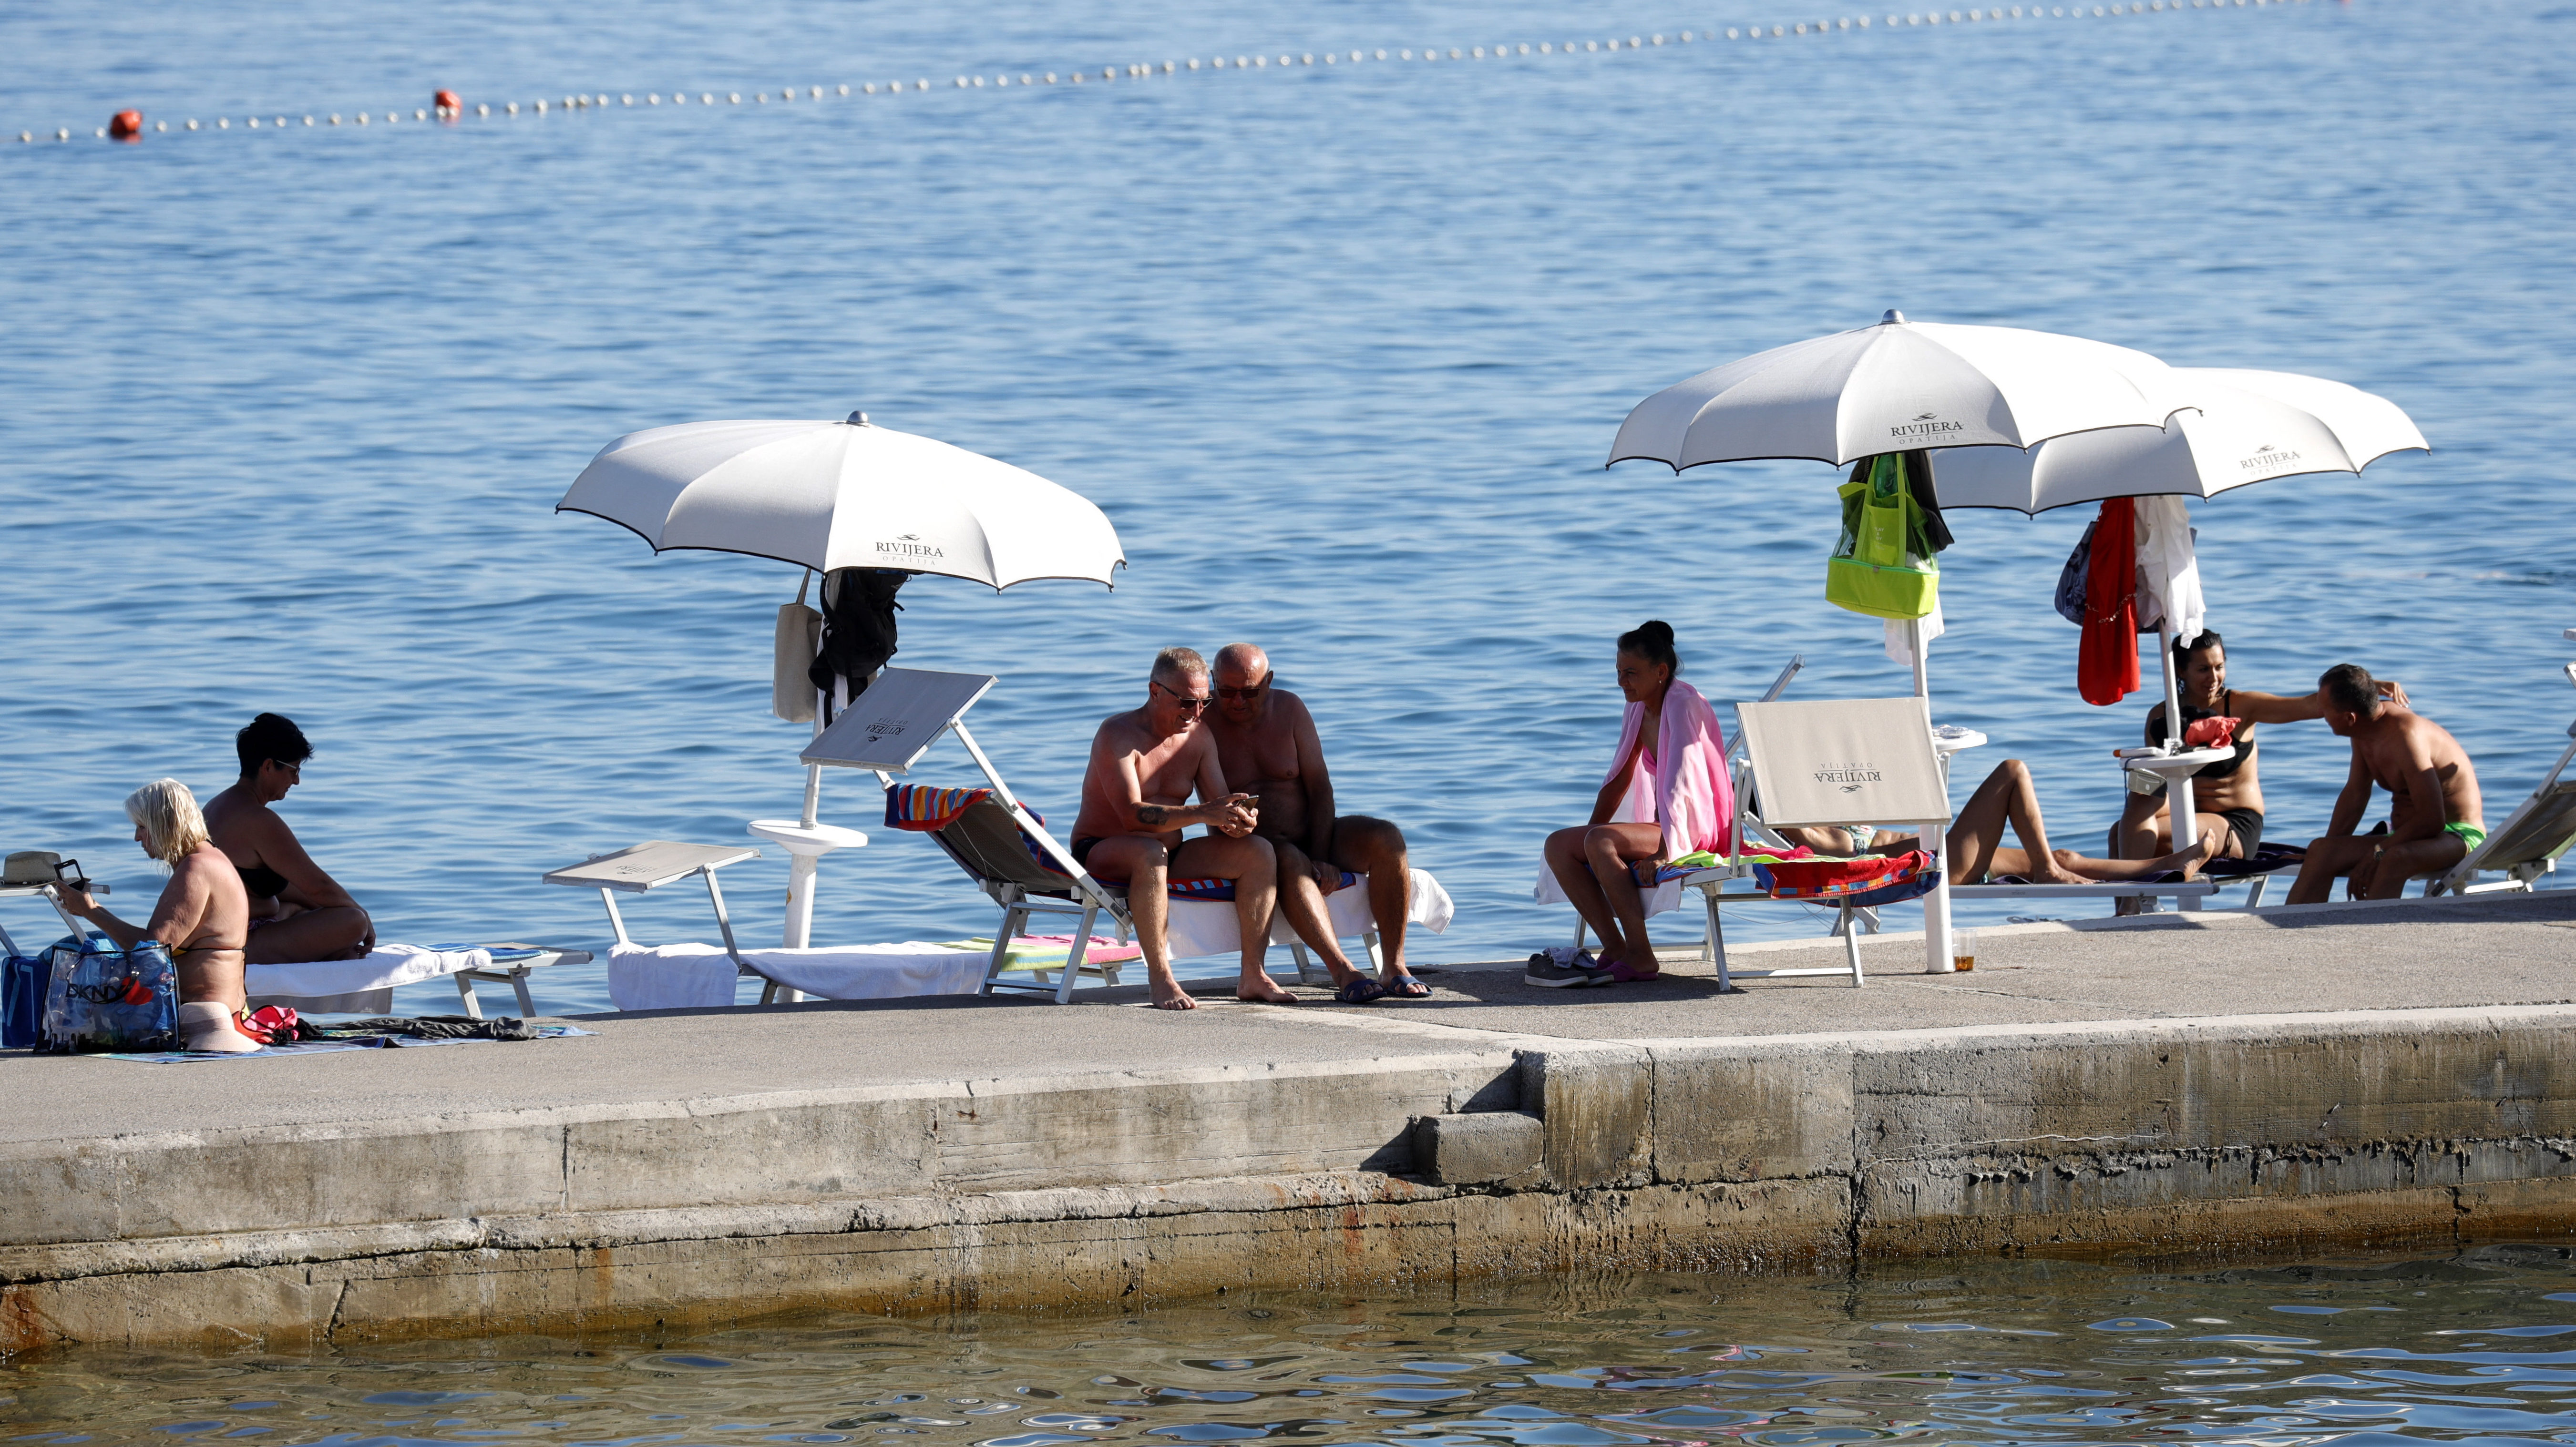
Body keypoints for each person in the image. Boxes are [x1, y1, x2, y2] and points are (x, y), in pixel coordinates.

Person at [2108, 632, 2407, 904]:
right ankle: (2130, 907)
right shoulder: (2163, 718)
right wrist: (2139, 779)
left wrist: (2363, 691)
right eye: (2203, 669)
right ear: (2181, 672)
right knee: (2121, 828)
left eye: (2219, 666)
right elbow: (2153, 782)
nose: (2214, 677)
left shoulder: (2241, 706)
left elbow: (2310, 706)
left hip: (2235, 823)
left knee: (2142, 834)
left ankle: (2136, 900)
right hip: (2182, 813)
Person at [1205, 643, 1427, 1003]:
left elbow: (1320, 788)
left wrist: (1322, 856)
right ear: (1213, 683)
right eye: (1226, 691)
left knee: (1386, 839)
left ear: (1269, 682)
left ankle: (1394, 966)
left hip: (1312, 833)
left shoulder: (1289, 709)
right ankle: (1343, 971)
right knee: (1289, 858)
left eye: (1249, 692)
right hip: (1252, 848)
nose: (1237, 702)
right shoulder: (1201, 723)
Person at [1068, 648, 1287, 1011]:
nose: (1197, 713)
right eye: (1187, 702)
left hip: (1169, 854)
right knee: (1149, 851)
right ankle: (1161, 978)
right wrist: (1205, 813)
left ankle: (1253, 974)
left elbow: (1220, 807)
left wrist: (1237, 821)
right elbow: (1131, 816)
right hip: (1103, 850)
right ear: (1155, 692)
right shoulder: (1118, 734)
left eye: (1204, 702)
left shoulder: (1198, 737)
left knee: (1258, 852)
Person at [1537, 622, 1734, 986]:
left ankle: (1641, 955)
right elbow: (1619, 778)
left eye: (1630, 673)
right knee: (1559, 845)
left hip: (1695, 827)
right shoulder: (1638, 706)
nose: (1621, 682)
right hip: (1664, 825)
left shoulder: (1684, 703)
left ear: (1661, 671)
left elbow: (1682, 782)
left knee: (1601, 842)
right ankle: (1615, 947)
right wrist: (1585, 835)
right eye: (1617, 672)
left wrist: (1663, 852)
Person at [55, 779, 261, 1053]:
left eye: (142, 827)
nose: (137, 837)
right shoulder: (212, 859)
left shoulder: (196, 869)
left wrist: (91, 910)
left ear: (164, 824)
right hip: (226, 1011)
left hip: (203, 1019)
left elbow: (152, 950)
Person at [2286, 663, 2485, 904]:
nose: (2321, 713)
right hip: (2406, 836)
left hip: (2457, 835)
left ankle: (2369, 934)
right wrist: (2333, 846)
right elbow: (2355, 795)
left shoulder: (2406, 735)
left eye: (2324, 709)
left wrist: (2378, 852)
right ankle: (2291, 935)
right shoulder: (2363, 730)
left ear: (2350, 718)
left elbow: (2433, 819)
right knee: (2320, 851)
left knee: (2395, 857)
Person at [204, 713, 375, 965]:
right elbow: (319, 886)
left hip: (224, 933)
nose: (296, 781)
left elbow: (296, 888)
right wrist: (365, 918)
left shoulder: (216, 806)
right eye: (294, 770)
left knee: (303, 909)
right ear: (269, 766)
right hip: (236, 944)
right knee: (353, 922)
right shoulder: (258, 820)